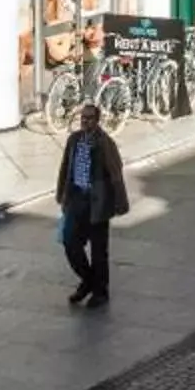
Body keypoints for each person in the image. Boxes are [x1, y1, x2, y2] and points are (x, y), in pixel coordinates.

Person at [55, 99, 129, 308]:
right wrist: (63, 194)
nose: (85, 122)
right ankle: (88, 280)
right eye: (83, 118)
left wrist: (119, 202)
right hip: (77, 198)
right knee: (70, 242)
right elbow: (65, 168)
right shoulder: (74, 140)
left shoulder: (104, 143)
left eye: (89, 119)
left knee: (99, 250)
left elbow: (115, 173)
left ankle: (100, 291)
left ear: (97, 121)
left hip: (97, 202)